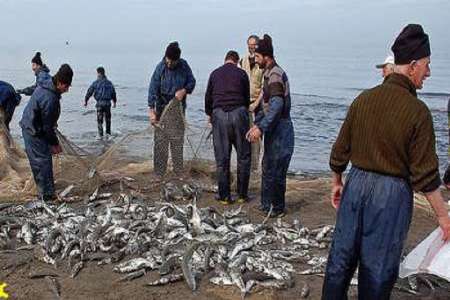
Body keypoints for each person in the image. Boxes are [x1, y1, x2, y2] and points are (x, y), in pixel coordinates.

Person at [322, 24, 450, 300]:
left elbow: (340, 150)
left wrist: (337, 182)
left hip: (355, 185)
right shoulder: (418, 112)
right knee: (377, 270)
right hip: (389, 195)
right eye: (427, 65)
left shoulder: (363, 99)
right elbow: (426, 176)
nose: (428, 72)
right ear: (413, 65)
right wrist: (443, 216)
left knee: (340, 262)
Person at [247, 34, 295, 218]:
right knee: (267, 166)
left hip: (281, 129)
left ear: (266, 56)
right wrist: (257, 124)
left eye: (257, 56)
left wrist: (261, 128)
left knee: (276, 170)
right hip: (273, 128)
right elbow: (265, 106)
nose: (255, 59)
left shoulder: (275, 74)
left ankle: (277, 208)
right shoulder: (268, 73)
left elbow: (276, 107)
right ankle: (266, 204)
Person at [20, 64, 73, 201]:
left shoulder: (47, 82)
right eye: (66, 87)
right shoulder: (50, 98)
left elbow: (46, 121)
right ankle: (46, 196)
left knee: (43, 160)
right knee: (42, 161)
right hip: (33, 130)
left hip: (33, 124)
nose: (67, 90)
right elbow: (47, 128)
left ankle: (47, 191)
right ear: (59, 83)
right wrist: (55, 144)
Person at [205, 50, 251, 204]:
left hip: (219, 115)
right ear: (237, 61)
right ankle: (242, 195)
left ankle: (224, 196)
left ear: (225, 60)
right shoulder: (242, 74)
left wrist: (210, 114)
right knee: (243, 156)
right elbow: (246, 97)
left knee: (222, 158)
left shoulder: (214, 73)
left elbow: (208, 97)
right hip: (239, 114)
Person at [148, 42, 196, 178]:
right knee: (160, 143)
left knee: (177, 142)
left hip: (178, 110)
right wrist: (151, 110)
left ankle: (178, 172)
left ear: (178, 60)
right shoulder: (160, 68)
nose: (169, 64)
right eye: (167, 61)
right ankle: (159, 174)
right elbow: (152, 89)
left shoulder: (184, 66)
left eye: (172, 63)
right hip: (161, 109)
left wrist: (184, 90)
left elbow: (192, 82)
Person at [240, 35, 263, 171]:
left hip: (257, 104)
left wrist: (256, 104)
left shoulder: (262, 63)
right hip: (244, 103)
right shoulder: (243, 60)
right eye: (249, 44)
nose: (251, 47)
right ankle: (246, 166)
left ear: (258, 45)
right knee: (245, 135)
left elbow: (264, 88)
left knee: (256, 138)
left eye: (253, 44)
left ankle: (255, 168)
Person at [84, 67, 117, 139]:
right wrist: (114, 102)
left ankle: (100, 135)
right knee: (108, 120)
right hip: (107, 104)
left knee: (100, 121)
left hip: (99, 104)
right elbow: (113, 93)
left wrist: (86, 101)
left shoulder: (95, 83)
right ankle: (108, 134)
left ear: (98, 73)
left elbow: (89, 92)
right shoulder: (109, 83)